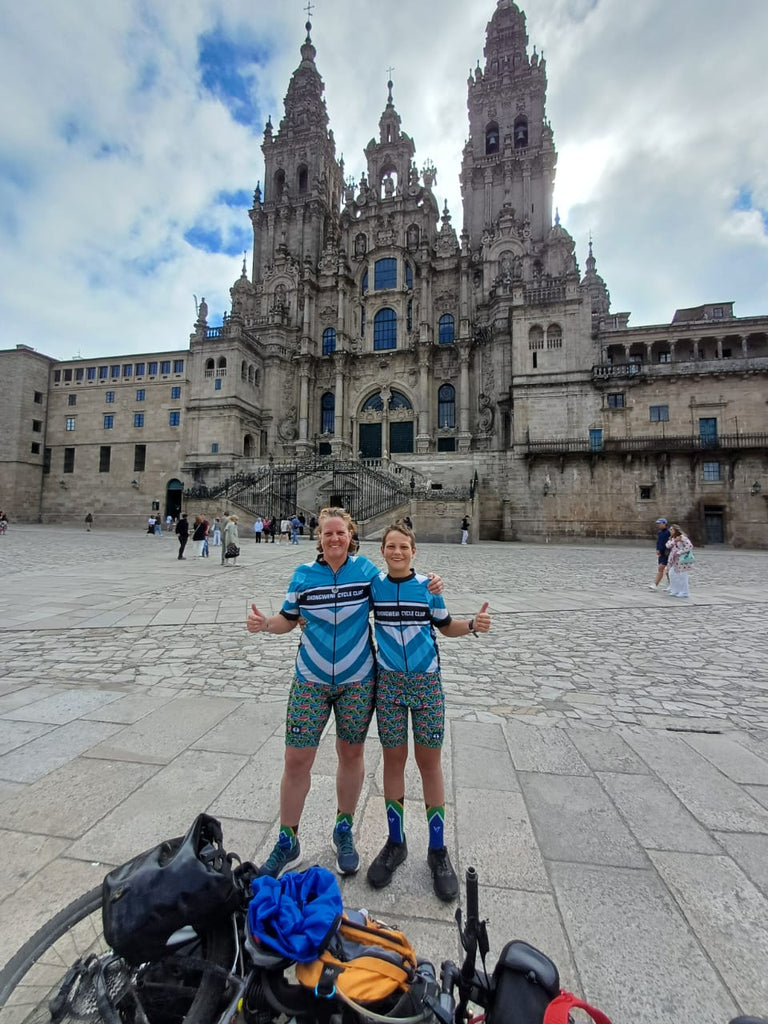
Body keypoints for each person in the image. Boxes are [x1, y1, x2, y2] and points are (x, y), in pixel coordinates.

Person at [245, 507, 443, 880]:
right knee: (296, 759)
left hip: (358, 680)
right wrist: (264, 624)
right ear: (318, 537)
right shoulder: (303, 575)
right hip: (311, 680)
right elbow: (288, 619)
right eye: (327, 533)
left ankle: (344, 828)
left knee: (350, 753)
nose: (334, 539)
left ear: (351, 536)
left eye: (340, 533)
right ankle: (288, 839)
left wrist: (431, 582)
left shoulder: (367, 573)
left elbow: (398, 577)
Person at [367, 522, 492, 901]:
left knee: (429, 763)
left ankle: (437, 850)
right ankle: (395, 842)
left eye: (403, 546)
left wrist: (472, 625)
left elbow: (445, 626)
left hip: (426, 684)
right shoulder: (374, 588)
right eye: (391, 546)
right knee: (393, 760)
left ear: (414, 550)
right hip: (388, 685)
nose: (397, 551)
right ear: (383, 551)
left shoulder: (428, 588)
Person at [666, 524, 694, 598]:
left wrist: (680, 551)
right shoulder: (672, 538)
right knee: (672, 574)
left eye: (672, 529)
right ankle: (675, 590)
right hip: (674, 559)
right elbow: (668, 545)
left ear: (675, 530)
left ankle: (684, 592)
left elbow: (690, 546)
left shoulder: (682, 538)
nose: (670, 531)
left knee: (682, 575)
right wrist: (674, 541)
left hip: (681, 559)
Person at [648, 517, 671, 590]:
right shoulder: (660, 533)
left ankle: (655, 584)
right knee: (665, 570)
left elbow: (668, 543)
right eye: (658, 524)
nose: (658, 525)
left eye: (660, 523)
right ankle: (671, 584)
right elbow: (658, 542)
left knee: (662, 568)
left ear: (664, 524)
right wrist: (658, 550)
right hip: (661, 553)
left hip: (666, 553)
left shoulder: (668, 532)